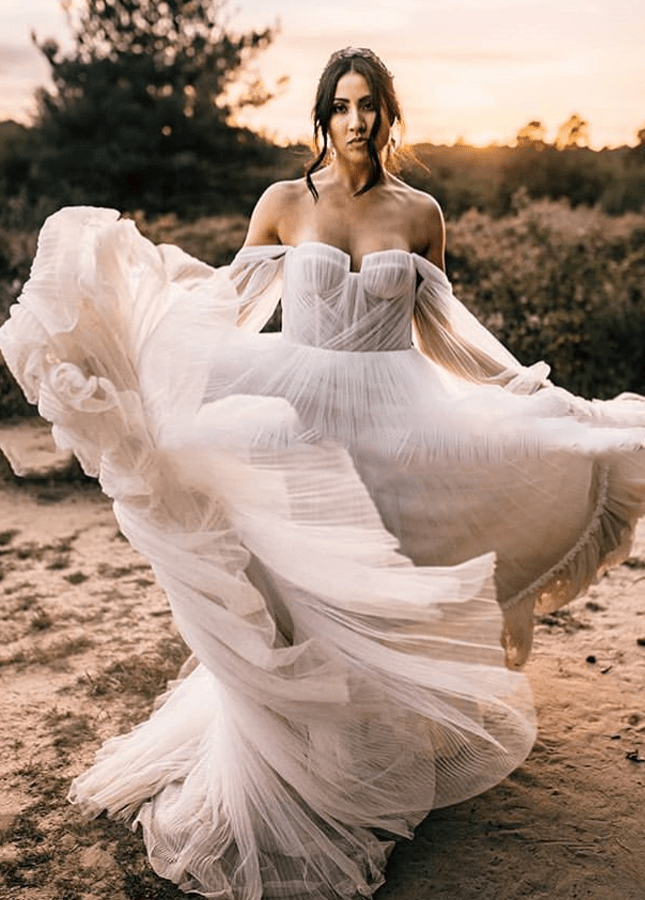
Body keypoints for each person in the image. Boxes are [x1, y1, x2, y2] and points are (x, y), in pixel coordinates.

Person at [1, 46, 645, 900]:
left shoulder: (420, 213)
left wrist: (514, 384)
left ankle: (379, 745)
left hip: (395, 408)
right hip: (297, 403)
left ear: (387, 114)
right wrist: (140, 345)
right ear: (320, 114)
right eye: (340, 105)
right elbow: (228, 303)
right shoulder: (281, 202)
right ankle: (309, 755)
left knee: (387, 570)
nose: (355, 120)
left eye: (368, 104)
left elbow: (439, 329)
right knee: (296, 584)